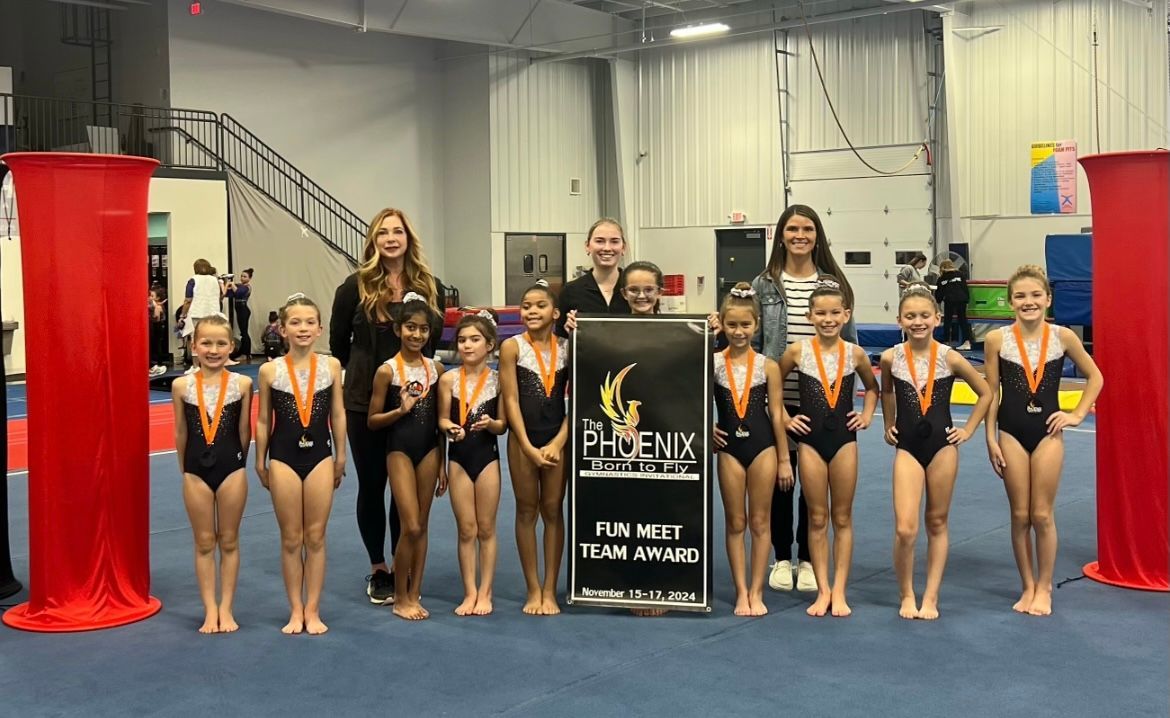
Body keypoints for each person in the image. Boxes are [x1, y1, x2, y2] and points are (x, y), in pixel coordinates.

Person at [329, 208, 444, 605]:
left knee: (405, 490)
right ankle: (379, 568)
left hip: (416, 403)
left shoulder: (431, 287)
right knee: (373, 485)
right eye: (383, 232)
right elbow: (339, 343)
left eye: (398, 231)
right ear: (373, 240)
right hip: (364, 403)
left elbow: (431, 345)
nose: (391, 238)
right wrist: (366, 375)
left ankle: (402, 562)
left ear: (408, 237)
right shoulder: (353, 287)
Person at [983, 265, 1103, 616]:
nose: (1028, 301)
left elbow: (1095, 376)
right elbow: (991, 391)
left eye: (1036, 295)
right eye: (1020, 296)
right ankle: (1028, 585)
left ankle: (1046, 586)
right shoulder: (996, 340)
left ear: (1048, 299)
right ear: (1010, 302)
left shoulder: (1063, 337)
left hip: (1049, 433)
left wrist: (1077, 414)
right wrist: (990, 438)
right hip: (1010, 432)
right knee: (1020, 515)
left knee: (1042, 514)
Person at [750, 205, 858, 594]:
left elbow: (851, 343)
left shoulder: (832, 282)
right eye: (792, 228)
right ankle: (782, 555)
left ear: (817, 235)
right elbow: (755, 342)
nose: (800, 235)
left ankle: (810, 558)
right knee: (780, 480)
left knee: (815, 484)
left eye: (807, 229)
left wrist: (851, 402)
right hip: (776, 400)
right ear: (781, 235)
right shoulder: (764, 284)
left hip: (822, 402)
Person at [880, 286, 991, 620]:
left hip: (943, 447)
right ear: (899, 319)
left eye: (924, 316)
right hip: (908, 449)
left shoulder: (950, 357)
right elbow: (886, 390)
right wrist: (888, 424)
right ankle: (906, 594)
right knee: (905, 528)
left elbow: (985, 393)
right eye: (910, 316)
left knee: (937, 521)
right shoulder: (891, 358)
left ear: (937, 319)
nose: (918, 322)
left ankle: (930, 596)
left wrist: (968, 429)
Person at [778, 279, 879, 617]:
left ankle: (840, 589)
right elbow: (771, 386)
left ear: (846, 314)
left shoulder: (855, 353)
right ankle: (822, 590)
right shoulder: (797, 351)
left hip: (844, 442)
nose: (828, 319)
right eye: (820, 313)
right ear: (809, 316)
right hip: (809, 443)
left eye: (835, 312)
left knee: (842, 517)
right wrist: (783, 418)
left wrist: (865, 415)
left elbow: (873, 388)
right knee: (817, 517)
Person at [255, 294, 346, 635]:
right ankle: (295, 609)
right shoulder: (270, 371)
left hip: (320, 457)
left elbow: (337, 413)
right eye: (295, 322)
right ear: (282, 329)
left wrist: (341, 456)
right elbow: (263, 420)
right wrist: (259, 461)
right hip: (282, 458)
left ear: (320, 328)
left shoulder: (331, 366)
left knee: (316, 536)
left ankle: (313, 608)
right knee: (291, 538)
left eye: (310, 322)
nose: (303, 328)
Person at [712, 283, 790, 616]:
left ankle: (757, 589)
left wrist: (785, 459)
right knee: (735, 522)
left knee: (760, 521)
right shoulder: (712, 362)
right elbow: (694, 402)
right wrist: (705, 428)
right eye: (732, 325)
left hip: (764, 448)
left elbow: (776, 413)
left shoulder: (768, 365)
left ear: (757, 325)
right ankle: (741, 590)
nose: (739, 332)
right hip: (728, 447)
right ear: (722, 324)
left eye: (745, 325)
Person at [171, 314, 252, 633]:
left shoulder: (242, 384)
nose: (213, 349)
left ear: (231, 346)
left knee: (229, 540)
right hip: (194, 472)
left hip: (232, 469)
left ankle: (227, 608)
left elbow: (245, 432)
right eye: (206, 342)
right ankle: (209, 609)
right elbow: (180, 431)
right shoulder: (182, 386)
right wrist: (185, 467)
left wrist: (239, 463)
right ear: (194, 346)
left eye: (221, 343)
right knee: (204, 541)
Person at [368, 292, 447, 621]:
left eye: (423, 329)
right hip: (398, 449)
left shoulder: (437, 369)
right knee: (409, 525)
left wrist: (443, 460)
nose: (417, 335)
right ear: (399, 329)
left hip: (429, 450)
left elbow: (440, 421)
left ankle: (415, 592)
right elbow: (372, 420)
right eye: (411, 328)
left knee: (423, 526)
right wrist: (400, 410)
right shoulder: (387, 371)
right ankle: (400, 596)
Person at [499, 280, 569, 615]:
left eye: (540, 305)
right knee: (526, 511)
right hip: (522, 439)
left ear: (555, 312)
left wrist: (558, 442)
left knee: (553, 511)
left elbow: (579, 401)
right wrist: (525, 444)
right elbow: (510, 398)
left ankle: (551, 589)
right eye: (526, 305)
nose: (531, 311)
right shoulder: (512, 347)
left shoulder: (569, 347)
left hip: (557, 437)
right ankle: (532, 588)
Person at [437, 310, 507, 617]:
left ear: (489, 344)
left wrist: (491, 423)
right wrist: (449, 427)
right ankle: (470, 591)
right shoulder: (448, 380)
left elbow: (504, 424)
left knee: (486, 528)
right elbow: (441, 417)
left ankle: (486, 591)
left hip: (487, 458)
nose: (467, 345)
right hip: (459, 459)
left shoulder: (498, 381)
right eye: (462, 340)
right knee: (466, 529)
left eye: (474, 340)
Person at [557, 217, 630, 336]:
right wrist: (569, 334)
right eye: (599, 241)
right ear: (587, 246)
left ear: (623, 247)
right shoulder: (571, 291)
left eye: (614, 241)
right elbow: (560, 340)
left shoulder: (635, 289)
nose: (607, 248)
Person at [179, 259, 226, 370]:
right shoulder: (215, 280)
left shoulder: (193, 280)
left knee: (196, 340)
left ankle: (196, 366)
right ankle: (212, 364)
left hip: (197, 313)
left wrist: (182, 315)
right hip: (213, 314)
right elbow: (221, 296)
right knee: (212, 340)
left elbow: (188, 300)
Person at [934, 259, 972, 350]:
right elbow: (965, 288)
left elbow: (939, 293)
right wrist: (967, 299)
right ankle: (967, 342)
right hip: (961, 299)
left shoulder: (942, 278)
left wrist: (938, 302)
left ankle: (946, 342)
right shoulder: (960, 274)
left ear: (942, 268)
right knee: (963, 320)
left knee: (948, 321)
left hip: (950, 300)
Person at [226, 268, 254, 361]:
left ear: (249, 278)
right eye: (241, 276)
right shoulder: (239, 286)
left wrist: (232, 283)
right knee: (243, 332)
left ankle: (246, 354)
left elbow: (238, 293)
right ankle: (244, 352)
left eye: (245, 276)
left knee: (244, 332)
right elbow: (229, 293)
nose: (242, 278)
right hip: (239, 310)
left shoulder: (247, 287)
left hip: (243, 311)